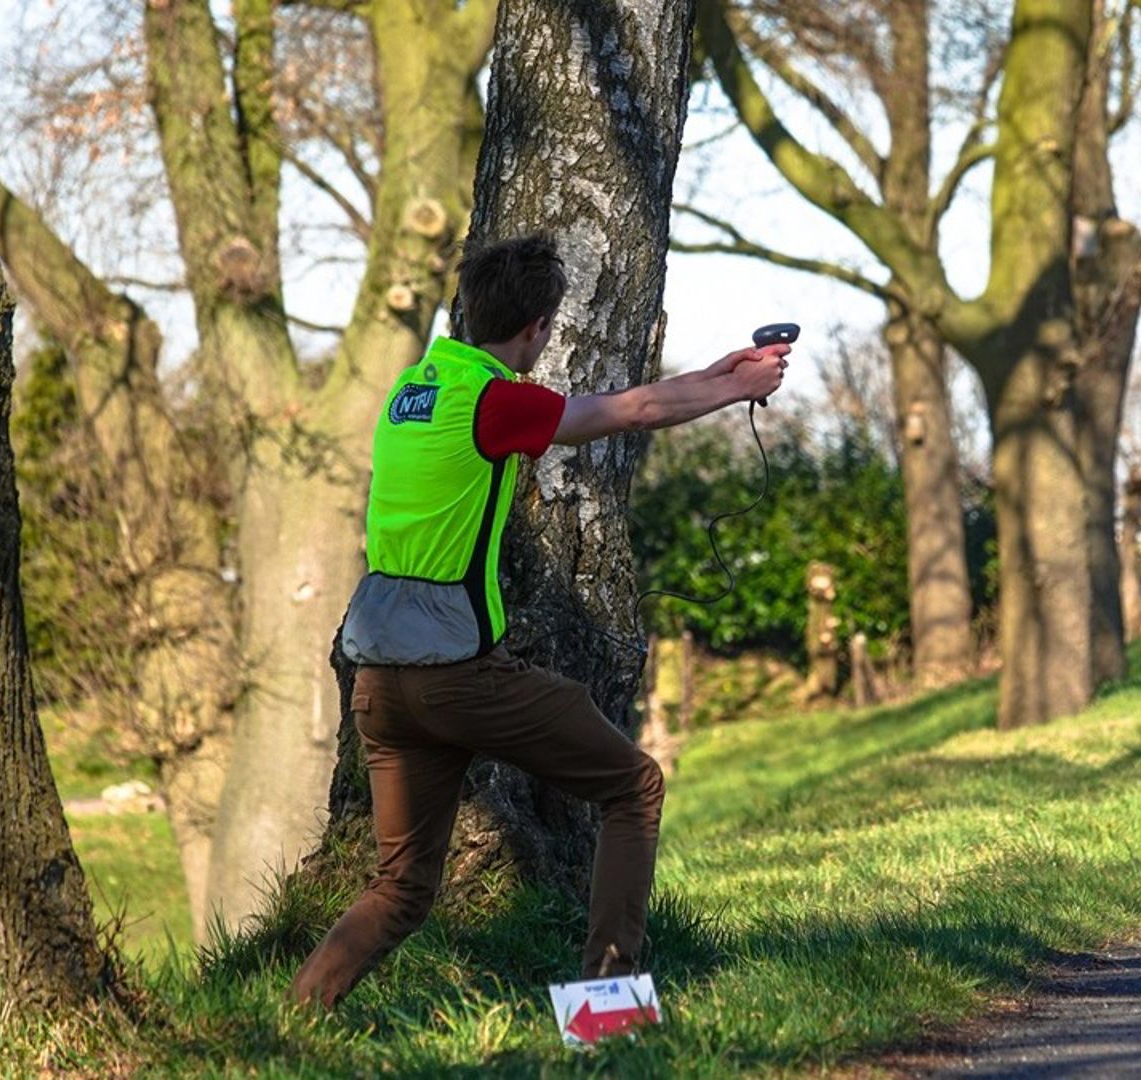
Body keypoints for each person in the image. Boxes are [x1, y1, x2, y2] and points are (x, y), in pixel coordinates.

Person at [289, 233, 788, 1009]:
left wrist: (721, 374)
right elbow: (636, 409)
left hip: (380, 682)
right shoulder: (497, 400)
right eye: (548, 328)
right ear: (535, 329)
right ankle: (609, 1011)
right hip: (459, 677)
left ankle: (294, 1022)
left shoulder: (413, 390)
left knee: (402, 888)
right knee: (634, 786)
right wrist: (733, 388)